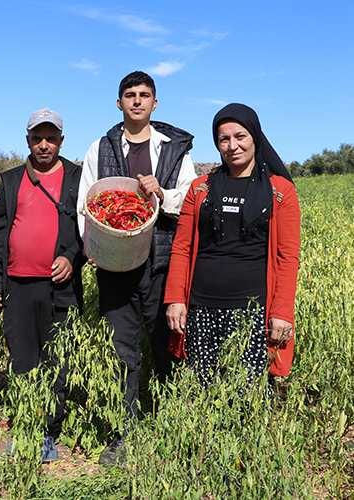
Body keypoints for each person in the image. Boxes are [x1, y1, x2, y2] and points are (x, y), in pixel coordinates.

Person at [77, 71, 197, 464]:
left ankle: (169, 427)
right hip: (114, 265)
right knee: (122, 350)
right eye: (130, 95)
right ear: (119, 102)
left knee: (165, 344)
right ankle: (123, 433)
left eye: (145, 95)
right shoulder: (101, 147)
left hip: (159, 262)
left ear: (155, 103)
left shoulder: (174, 148)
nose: (137, 101)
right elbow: (87, 203)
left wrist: (161, 193)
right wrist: (91, 246)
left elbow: (190, 197)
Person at [164, 103, 300, 389]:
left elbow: (287, 258)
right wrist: (175, 299)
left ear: (255, 138)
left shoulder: (280, 191)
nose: (232, 145)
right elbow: (182, 247)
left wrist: (282, 312)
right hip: (201, 307)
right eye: (224, 139)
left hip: (253, 311)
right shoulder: (201, 188)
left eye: (240, 136)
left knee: (246, 393)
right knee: (202, 392)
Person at [0, 108, 84, 462]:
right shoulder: (12, 179)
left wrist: (71, 256)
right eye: (37, 138)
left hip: (59, 285)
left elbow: (86, 229)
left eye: (51, 138)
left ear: (61, 140)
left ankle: (48, 429)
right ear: (27, 140)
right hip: (17, 284)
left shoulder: (77, 176)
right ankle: (28, 423)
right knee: (23, 356)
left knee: (56, 359)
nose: (44, 145)